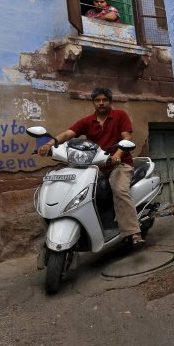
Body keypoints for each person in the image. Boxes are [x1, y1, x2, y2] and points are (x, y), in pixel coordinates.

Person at [38, 87, 143, 246]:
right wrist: (49, 143)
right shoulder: (88, 121)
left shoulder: (120, 116)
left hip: (119, 165)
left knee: (120, 190)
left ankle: (133, 232)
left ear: (110, 101)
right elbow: (68, 133)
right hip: (95, 167)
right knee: (76, 189)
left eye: (104, 100)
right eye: (97, 100)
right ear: (93, 103)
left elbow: (126, 137)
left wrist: (117, 155)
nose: (101, 103)